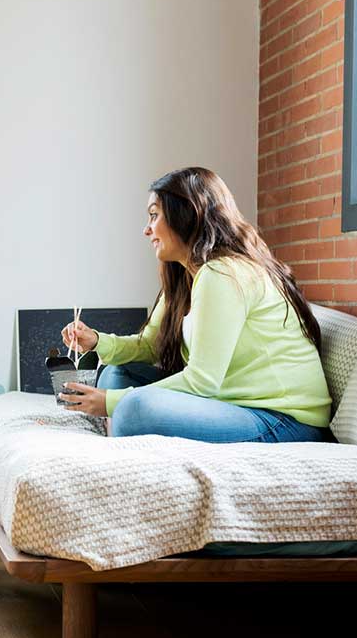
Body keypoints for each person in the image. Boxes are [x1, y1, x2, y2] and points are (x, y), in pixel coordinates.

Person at [59, 166, 331, 443]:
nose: (146, 229)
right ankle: (125, 434)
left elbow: (203, 380)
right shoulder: (186, 278)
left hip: (283, 419)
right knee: (119, 372)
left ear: (185, 216)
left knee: (131, 409)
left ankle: (123, 432)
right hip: (231, 401)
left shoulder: (224, 274)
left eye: (154, 216)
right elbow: (149, 347)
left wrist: (111, 403)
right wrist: (96, 341)